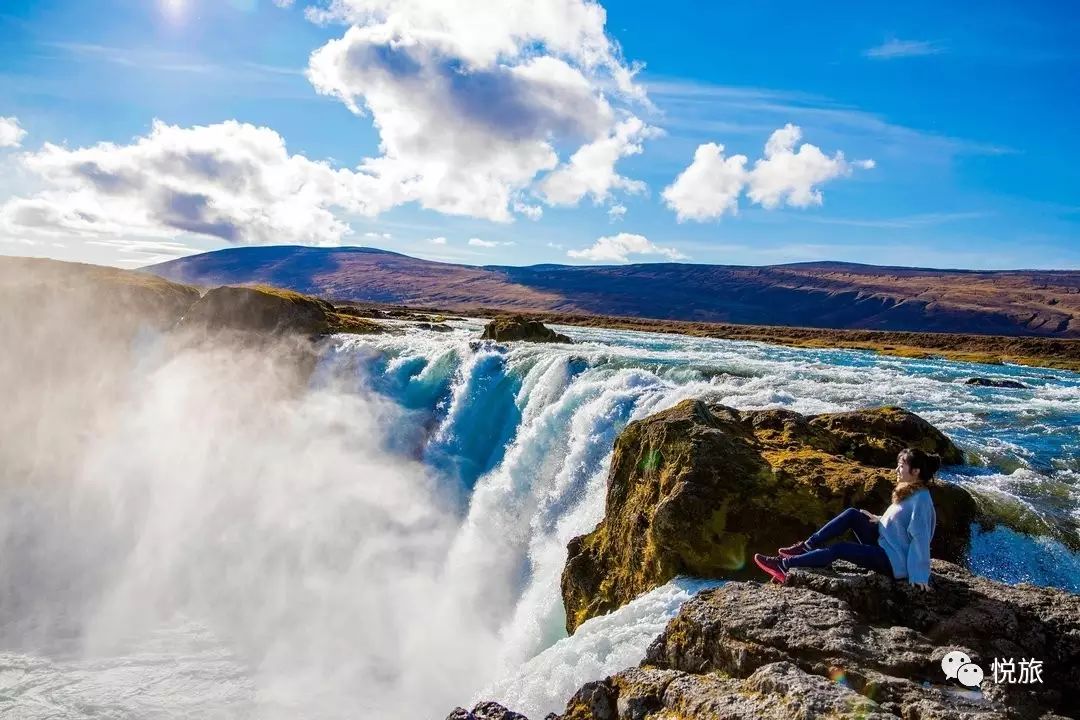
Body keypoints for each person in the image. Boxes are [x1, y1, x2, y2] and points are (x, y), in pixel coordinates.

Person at [753, 448, 939, 591]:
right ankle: (806, 546)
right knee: (852, 514)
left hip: (893, 560)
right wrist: (880, 519)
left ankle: (784, 565)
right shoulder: (910, 491)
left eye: (902, 466)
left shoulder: (921, 500)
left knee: (841, 549)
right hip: (884, 542)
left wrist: (919, 575)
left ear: (915, 471)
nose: (897, 469)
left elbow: (920, 538)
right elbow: (902, 520)